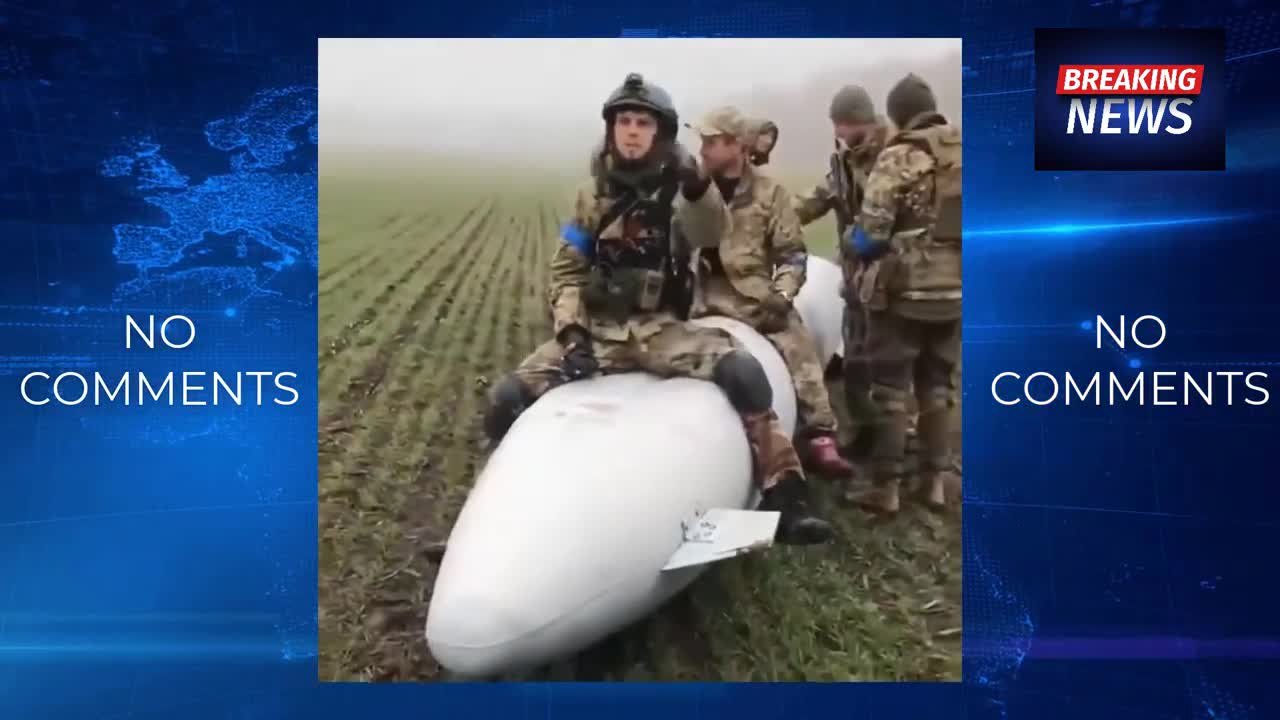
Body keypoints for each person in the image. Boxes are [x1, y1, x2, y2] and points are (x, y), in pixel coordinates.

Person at [485, 74, 833, 544]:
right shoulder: (592, 198)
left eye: (642, 123)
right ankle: (497, 524)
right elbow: (567, 272)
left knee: (743, 374)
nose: (631, 131)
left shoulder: (681, 193)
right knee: (506, 400)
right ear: (611, 130)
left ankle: (785, 499)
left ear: (660, 132)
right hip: (600, 333)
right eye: (623, 121)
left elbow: (710, 233)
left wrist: (695, 188)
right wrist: (572, 335)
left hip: (662, 331)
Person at [684, 106, 854, 478]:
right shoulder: (692, 190)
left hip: (754, 301)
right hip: (698, 299)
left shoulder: (769, 193)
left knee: (800, 350)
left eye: (712, 142)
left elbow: (792, 253)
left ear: (737, 146)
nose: (704, 150)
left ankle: (821, 437)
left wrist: (782, 297)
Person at [843, 73, 962, 514]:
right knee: (938, 386)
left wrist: (853, 244)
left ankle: (886, 488)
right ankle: (934, 481)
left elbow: (871, 233)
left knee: (891, 390)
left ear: (897, 114)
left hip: (903, 293)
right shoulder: (965, 151)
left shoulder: (899, 155)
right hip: (956, 291)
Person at [792, 86, 891, 464]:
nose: (837, 133)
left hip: (889, 280)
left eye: (841, 125)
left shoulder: (895, 160)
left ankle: (894, 445)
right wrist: (776, 219)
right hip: (855, 279)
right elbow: (819, 199)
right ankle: (867, 434)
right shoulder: (844, 163)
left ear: (857, 122)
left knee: (890, 364)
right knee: (856, 363)